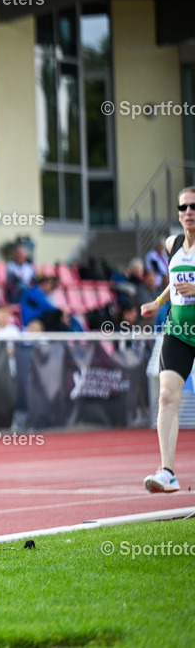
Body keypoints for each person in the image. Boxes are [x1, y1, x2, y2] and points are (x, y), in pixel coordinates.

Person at [139, 186, 195, 493]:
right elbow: (175, 280)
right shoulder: (173, 243)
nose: (188, 212)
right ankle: (167, 472)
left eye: (194, 207)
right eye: (183, 207)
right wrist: (158, 303)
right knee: (166, 397)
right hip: (179, 333)